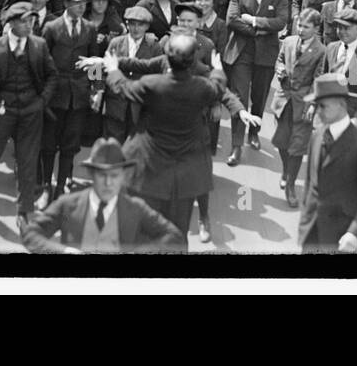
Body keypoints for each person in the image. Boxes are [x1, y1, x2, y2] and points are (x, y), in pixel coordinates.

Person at [105, 32, 260, 243]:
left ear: (167, 57)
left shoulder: (152, 84)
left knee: (141, 233)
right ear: (193, 60)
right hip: (184, 178)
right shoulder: (201, 87)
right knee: (176, 234)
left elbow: (122, 87)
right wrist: (218, 69)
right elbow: (219, 86)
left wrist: (113, 69)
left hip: (149, 171)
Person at [0, 2, 59, 233]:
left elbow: (52, 76)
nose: (29, 25)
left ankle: (24, 212)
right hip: (2, 111)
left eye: (31, 20)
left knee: (27, 161)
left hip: (31, 111)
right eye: (23, 20)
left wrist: (41, 102)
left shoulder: (39, 45)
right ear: (10, 23)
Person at [22, 138, 182, 253]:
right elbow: (31, 234)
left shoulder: (135, 209)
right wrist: (63, 251)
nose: (108, 183)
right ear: (91, 174)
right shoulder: (68, 207)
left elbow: (173, 236)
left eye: (114, 176)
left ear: (123, 176)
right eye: (102, 175)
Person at [297, 72, 357, 253]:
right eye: (316, 105)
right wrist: (305, 219)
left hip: (344, 240)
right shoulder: (316, 136)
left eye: (322, 106)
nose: (318, 111)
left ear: (341, 105)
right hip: (312, 235)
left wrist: (354, 233)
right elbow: (310, 183)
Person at [222, 0, 290, 165]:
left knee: (259, 98)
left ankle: (254, 132)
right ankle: (236, 145)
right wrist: (258, 30)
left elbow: (281, 22)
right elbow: (231, 19)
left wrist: (253, 20)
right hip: (241, 52)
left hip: (266, 55)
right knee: (239, 98)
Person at [38, 0, 101, 207]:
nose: (82, 7)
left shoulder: (90, 28)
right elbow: (42, 61)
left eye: (85, 3)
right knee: (48, 143)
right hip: (55, 93)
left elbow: (94, 60)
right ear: (65, 4)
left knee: (70, 143)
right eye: (77, 3)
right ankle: (46, 185)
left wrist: (96, 88)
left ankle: (62, 184)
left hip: (79, 94)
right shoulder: (51, 28)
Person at [272, 8, 327, 207]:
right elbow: (279, 60)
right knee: (281, 141)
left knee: (297, 146)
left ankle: (291, 186)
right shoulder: (287, 42)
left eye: (306, 27)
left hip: (303, 103)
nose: (301, 30)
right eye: (299, 25)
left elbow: (318, 78)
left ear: (316, 29)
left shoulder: (321, 50)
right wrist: (279, 69)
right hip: (283, 99)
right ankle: (286, 170)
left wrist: (313, 103)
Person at [102, 6, 161, 142]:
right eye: (132, 24)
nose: (136, 29)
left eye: (140, 25)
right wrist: (97, 92)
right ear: (127, 24)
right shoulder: (116, 43)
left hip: (140, 107)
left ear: (147, 27)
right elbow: (101, 68)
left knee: (134, 151)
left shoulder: (154, 47)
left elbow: (158, 77)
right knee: (112, 149)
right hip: (115, 105)